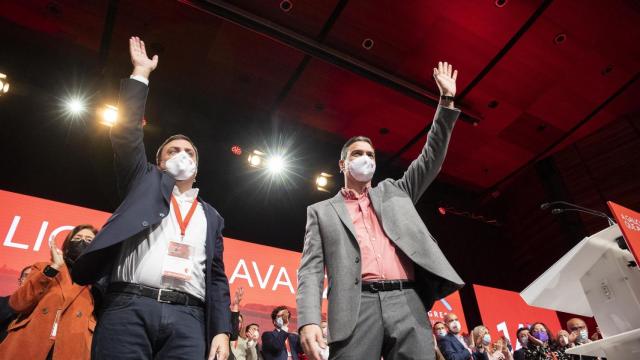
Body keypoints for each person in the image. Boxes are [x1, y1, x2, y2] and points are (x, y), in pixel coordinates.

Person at [70, 37, 231, 360]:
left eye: (189, 152)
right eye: (173, 150)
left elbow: (216, 278)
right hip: (129, 309)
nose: (182, 155)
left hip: (189, 320)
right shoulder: (142, 182)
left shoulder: (211, 216)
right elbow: (127, 134)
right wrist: (140, 74)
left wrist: (222, 331)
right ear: (158, 163)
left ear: (196, 169)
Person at [297, 61, 464, 360]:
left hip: (407, 301)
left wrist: (446, 102)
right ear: (342, 164)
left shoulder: (396, 191)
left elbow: (431, 157)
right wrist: (308, 319)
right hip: (355, 309)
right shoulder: (321, 211)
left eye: (370, 154)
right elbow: (310, 271)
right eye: (357, 154)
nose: (365, 159)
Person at [0, 225, 97, 359]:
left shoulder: (97, 279)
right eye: (77, 238)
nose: (82, 242)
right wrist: (54, 267)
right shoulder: (42, 267)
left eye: (89, 240)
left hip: (70, 349)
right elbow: (17, 304)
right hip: (29, 345)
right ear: (68, 244)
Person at [0, 265, 31, 343]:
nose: (29, 279)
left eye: (34, 277)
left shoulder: (43, 311)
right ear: (20, 281)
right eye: (26, 276)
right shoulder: (2, 302)